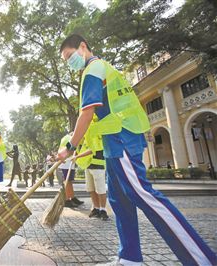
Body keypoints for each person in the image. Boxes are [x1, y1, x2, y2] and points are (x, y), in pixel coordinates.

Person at [58, 34, 216, 265]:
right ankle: (129, 258)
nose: (69, 63)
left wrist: (70, 147)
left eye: (70, 56)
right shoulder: (106, 69)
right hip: (115, 141)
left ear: (83, 46)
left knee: (143, 194)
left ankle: (202, 259)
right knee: (119, 199)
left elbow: (87, 112)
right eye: (66, 61)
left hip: (120, 138)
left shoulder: (93, 69)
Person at [74, 127, 108, 220]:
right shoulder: (87, 137)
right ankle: (96, 208)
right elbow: (82, 146)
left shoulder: (98, 134)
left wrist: (78, 156)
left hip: (98, 165)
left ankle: (103, 210)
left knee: (100, 189)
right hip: (88, 165)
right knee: (91, 189)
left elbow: (92, 150)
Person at [58, 133, 84, 208]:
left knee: (69, 181)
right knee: (67, 181)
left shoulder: (68, 137)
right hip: (66, 163)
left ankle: (72, 197)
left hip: (70, 162)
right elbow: (68, 149)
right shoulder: (68, 138)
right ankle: (67, 200)